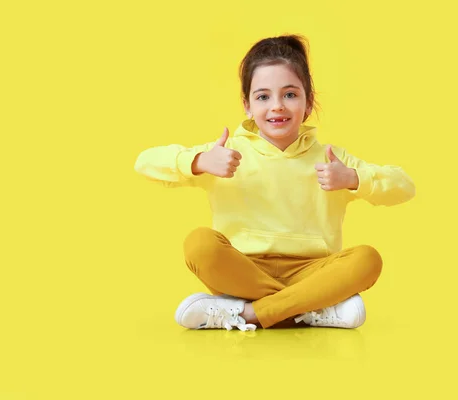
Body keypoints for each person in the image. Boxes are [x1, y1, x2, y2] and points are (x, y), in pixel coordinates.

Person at [134, 34, 415, 332]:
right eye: (263, 96)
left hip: (313, 272)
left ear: (308, 103)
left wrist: (354, 178)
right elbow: (144, 162)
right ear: (247, 105)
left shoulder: (332, 160)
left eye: (290, 95)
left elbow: (404, 186)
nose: (277, 106)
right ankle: (310, 308)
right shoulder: (225, 154)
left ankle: (248, 313)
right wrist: (199, 162)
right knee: (199, 244)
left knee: (367, 259)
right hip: (244, 272)